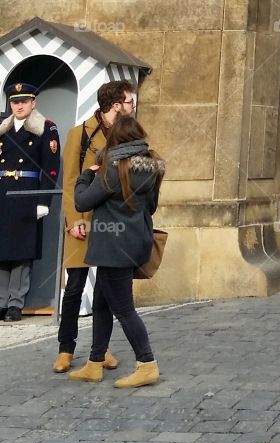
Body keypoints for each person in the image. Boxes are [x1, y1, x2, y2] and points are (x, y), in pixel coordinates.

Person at [70, 115, 165, 387]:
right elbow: (151, 207)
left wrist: (86, 175)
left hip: (113, 247)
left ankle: (147, 364)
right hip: (135, 242)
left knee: (124, 310)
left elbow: (82, 202)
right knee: (101, 303)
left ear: (116, 140)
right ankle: (95, 362)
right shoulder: (151, 167)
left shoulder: (113, 168)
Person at [53, 81, 137, 373]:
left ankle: (100, 351)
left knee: (105, 291)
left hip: (110, 222)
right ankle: (66, 348)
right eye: (129, 102)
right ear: (116, 104)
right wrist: (73, 219)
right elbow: (69, 181)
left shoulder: (126, 134)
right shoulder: (81, 133)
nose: (133, 107)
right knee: (74, 288)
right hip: (83, 218)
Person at [0, 82, 59, 322]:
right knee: (2, 250)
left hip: (27, 195)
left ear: (33, 103)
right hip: (3, 193)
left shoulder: (46, 128)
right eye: (15, 102)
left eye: (24, 101)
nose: (19, 106)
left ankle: (15, 303)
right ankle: (1, 302)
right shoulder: (2, 128)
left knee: (22, 252)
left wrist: (44, 200)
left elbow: (51, 169)